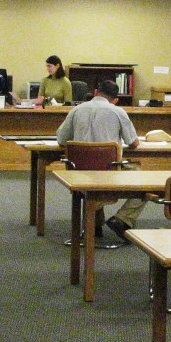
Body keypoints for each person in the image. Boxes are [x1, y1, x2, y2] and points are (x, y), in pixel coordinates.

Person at [54, 82, 146, 240]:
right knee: (143, 181)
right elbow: (134, 143)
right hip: (109, 171)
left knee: (94, 172)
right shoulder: (118, 112)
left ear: (96, 92)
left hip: (79, 172)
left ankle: (95, 225)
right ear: (115, 99)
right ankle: (123, 219)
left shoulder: (76, 110)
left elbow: (61, 140)